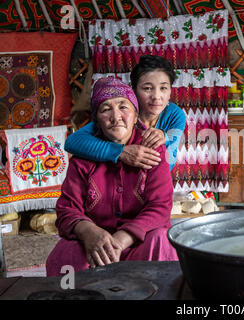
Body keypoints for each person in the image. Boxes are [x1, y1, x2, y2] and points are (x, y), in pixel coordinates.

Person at [46, 77, 178, 276]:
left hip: (138, 244)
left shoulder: (152, 148)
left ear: (135, 117)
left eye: (123, 107)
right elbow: (67, 209)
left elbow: (160, 207)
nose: (116, 117)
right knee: (65, 252)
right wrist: (89, 232)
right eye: (106, 109)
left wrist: (120, 240)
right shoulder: (84, 157)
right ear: (97, 121)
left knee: (160, 239)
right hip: (94, 247)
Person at [64, 55, 186, 171]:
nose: (156, 97)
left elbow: (170, 161)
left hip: (149, 181)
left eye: (163, 88)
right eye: (147, 88)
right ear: (134, 91)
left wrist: (166, 137)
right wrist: (120, 152)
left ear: (170, 91)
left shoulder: (175, 116)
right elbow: (72, 142)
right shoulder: (122, 114)